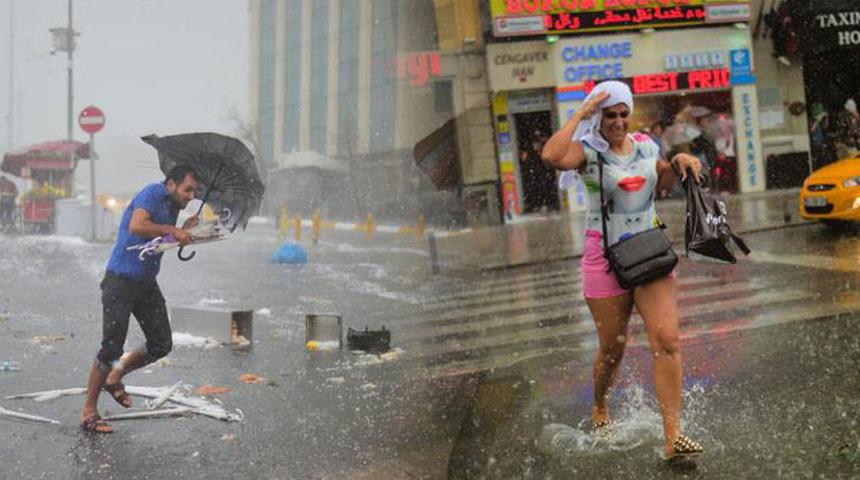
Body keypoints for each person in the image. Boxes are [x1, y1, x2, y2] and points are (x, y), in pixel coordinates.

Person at [541, 81, 704, 459]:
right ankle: (600, 405)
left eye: (622, 114)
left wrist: (679, 162)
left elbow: (662, 178)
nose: (617, 121)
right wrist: (581, 113)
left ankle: (672, 437)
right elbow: (551, 155)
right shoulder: (586, 153)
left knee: (667, 341)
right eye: (609, 114)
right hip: (605, 257)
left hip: (649, 251)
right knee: (612, 350)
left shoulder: (646, 146)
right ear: (599, 117)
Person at [79, 165, 200, 433]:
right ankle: (88, 410)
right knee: (111, 347)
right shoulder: (153, 192)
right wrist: (172, 228)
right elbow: (137, 226)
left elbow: (156, 239)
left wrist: (182, 232)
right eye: (188, 189)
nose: (192, 196)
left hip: (146, 284)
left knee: (161, 343)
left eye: (195, 191)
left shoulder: (173, 205)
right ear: (171, 184)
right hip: (120, 281)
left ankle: (115, 376)